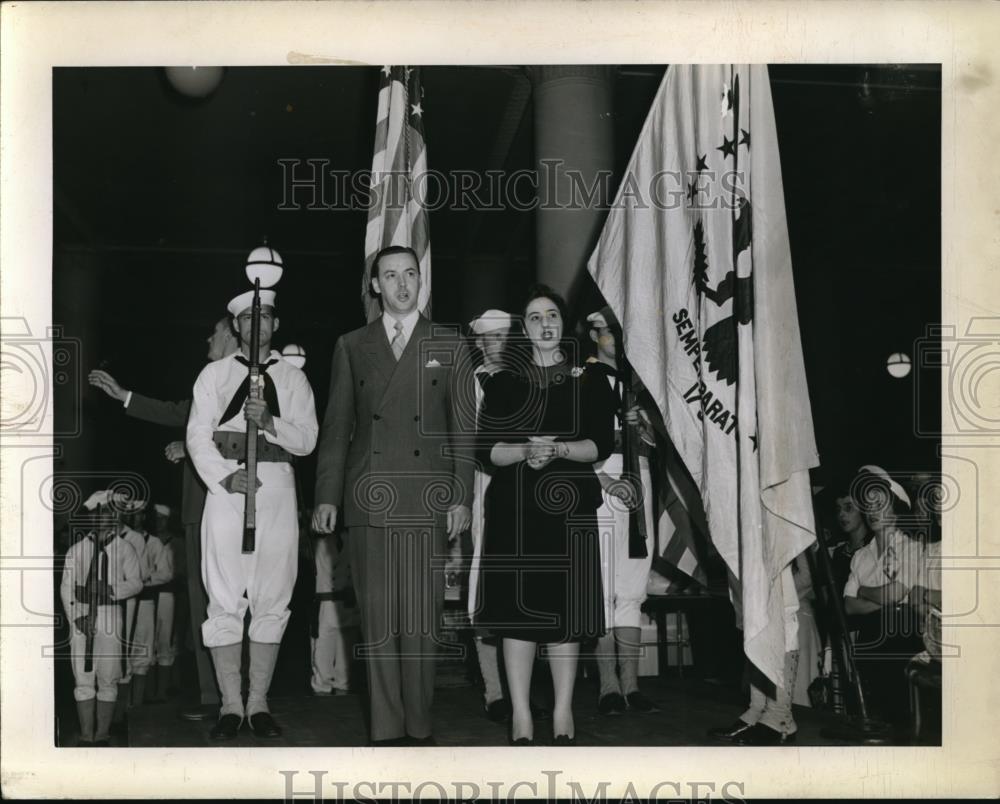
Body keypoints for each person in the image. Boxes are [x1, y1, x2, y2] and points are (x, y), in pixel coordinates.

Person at [312, 245, 475, 746]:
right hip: (369, 498)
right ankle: (385, 731)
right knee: (379, 619)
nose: (402, 284)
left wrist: (463, 495)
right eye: (391, 276)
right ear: (375, 285)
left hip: (427, 498)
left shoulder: (449, 342)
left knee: (422, 621)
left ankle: (420, 727)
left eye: (411, 274)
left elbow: (463, 428)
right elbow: (338, 427)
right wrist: (327, 494)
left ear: (420, 280)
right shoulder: (351, 344)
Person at [476, 285, 616, 745]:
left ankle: (561, 711)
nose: (545, 324)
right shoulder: (502, 382)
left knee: (565, 613)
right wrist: (524, 450)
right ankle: (520, 714)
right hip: (515, 508)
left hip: (569, 505)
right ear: (524, 328)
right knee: (517, 615)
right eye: (534, 317)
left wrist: (556, 449)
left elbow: (601, 443)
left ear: (563, 321)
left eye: (552, 314)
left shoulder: (589, 378)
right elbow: (487, 452)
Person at [87, 315, 239, 720]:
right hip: (197, 509)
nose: (209, 337)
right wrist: (124, 396)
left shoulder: (243, 381)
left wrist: (191, 449)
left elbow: (247, 439)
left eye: (216, 332)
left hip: (228, 508)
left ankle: (236, 698)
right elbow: (179, 413)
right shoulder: (209, 381)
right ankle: (215, 698)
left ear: (232, 335)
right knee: (204, 607)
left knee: (228, 603)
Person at [187, 288, 318, 740]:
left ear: (275, 325)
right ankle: (229, 705)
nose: (257, 324)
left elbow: (307, 440)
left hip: (277, 490)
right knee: (223, 594)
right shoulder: (213, 375)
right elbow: (197, 435)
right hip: (226, 492)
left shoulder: (294, 379)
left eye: (265, 317)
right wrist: (224, 478)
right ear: (237, 326)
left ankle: (258, 703)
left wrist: (269, 423)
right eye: (247, 318)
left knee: (272, 593)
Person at [584, 306, 659, 716]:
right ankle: (607, 686)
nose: (615, 338)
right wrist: (603, 480)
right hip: (601, 480)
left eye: (620, 330)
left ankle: (632, 686)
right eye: (608, 331)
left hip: (638, 477)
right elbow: (574, 436)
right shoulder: (583, 379)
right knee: (602, 588)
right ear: (594, 335)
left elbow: (660, 442)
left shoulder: (642, 382)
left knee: (631, 590)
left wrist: (644, 429)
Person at [843, 465, 926, 728]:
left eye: (880, 504)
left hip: (902, 640)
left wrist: (864, 591)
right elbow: (847, 606)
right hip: (868, 643)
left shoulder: (912, 548)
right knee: (872, 715)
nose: (872, 511)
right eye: (868, 505)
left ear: (895, 508)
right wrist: (881, 598)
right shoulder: (860, 556)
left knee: (901, 718)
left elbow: (896, 594)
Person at [59, 491, 143, 746]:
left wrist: (111, 589)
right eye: (99, 514)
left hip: (109, 615)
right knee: (83, 678)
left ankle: (103, 733)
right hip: (82, 615)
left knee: (108, 676)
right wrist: (76, 618)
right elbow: (66, 588)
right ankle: (86, 735)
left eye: (109, 513)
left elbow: (136, 583)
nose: (104, 518)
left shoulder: (124, 549)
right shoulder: (77, 549)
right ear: (92, 518)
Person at [466, 309, 515, 723]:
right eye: (492, 337)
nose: (498, 343)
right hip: (486, 487)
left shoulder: (527, 378)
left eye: (505, 336)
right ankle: (494, 690)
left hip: (528, 492)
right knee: (487, 584)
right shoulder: (472, 383)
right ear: (479, 342)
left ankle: (519, 690)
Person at [310, 530, 360, 697]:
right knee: (321, 654)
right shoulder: (315, 542)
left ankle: (343, 691)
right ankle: (321, 692)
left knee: (345, 659)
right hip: (324, 604)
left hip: (348, 603)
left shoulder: (354, 539)